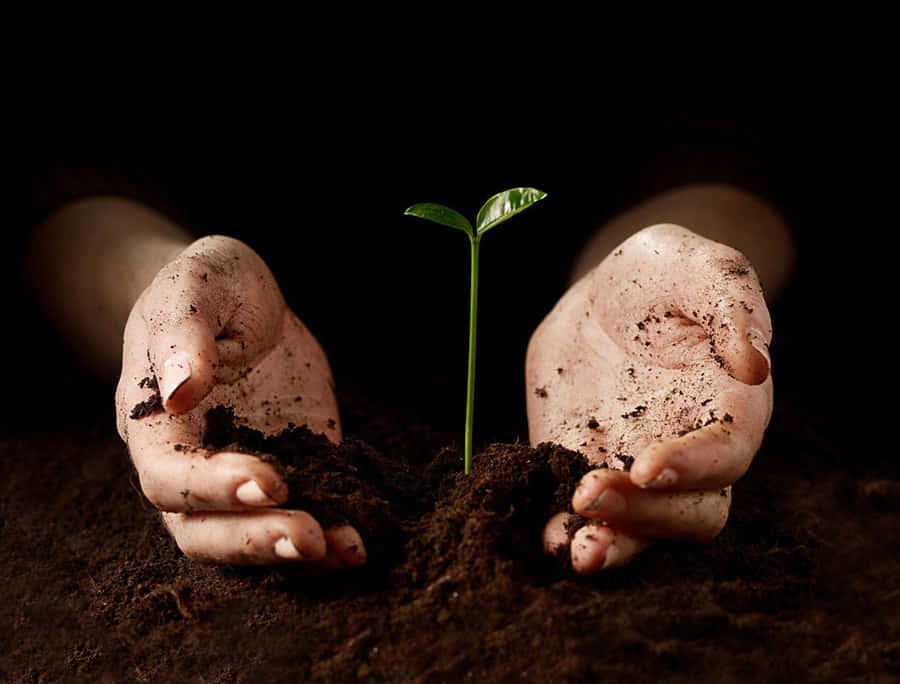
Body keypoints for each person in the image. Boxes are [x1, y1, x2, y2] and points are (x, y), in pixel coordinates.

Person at [23, 183, 793, 573]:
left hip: (595, 372)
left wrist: (687, 280)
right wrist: (161, 298)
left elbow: (743, 155)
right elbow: (54, 197)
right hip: (259, 361)